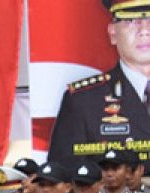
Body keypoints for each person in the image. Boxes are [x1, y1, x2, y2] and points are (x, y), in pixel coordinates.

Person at [48, 0, 150, 164]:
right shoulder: (82, 101)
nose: (145, 30)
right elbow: (62, 178)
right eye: (131, 21)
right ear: (113, 34)